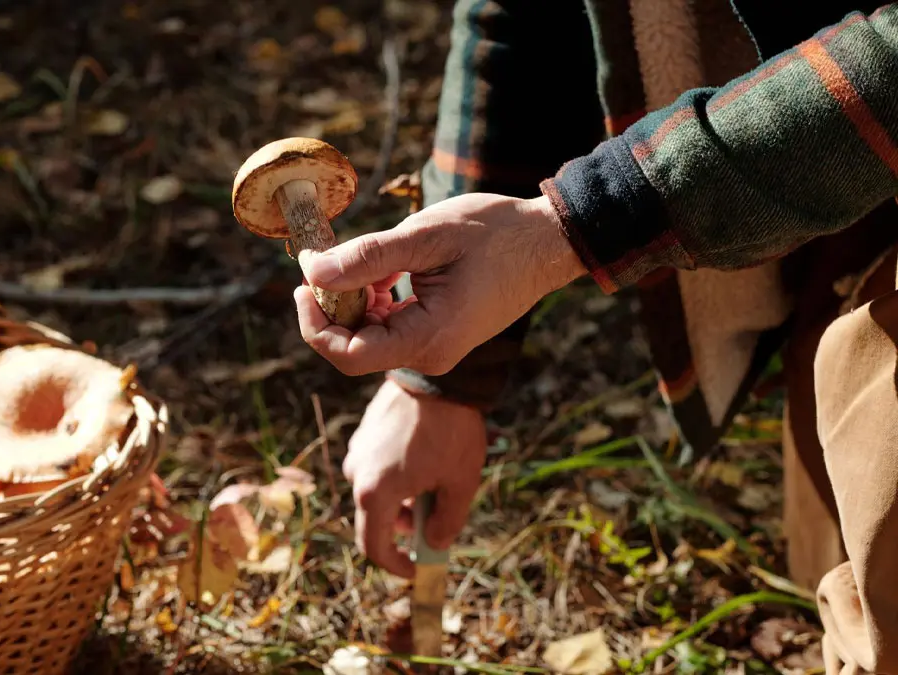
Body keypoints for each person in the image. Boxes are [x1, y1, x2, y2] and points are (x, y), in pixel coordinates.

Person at [294, 2, 898, 672]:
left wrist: (577, 223)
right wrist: (443, 381)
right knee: (847, 581)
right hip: (827, 233)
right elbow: (521, 19)